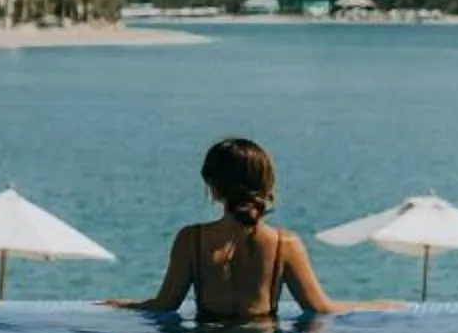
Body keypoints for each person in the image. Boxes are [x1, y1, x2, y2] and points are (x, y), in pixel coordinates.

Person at [108, 136, 347, 321]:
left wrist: (121, 304)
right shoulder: (285, 244)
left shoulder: (191, 240)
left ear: (213, 187)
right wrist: (376, 305)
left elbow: (164, 305)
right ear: (266, 185)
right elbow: (320, 309)